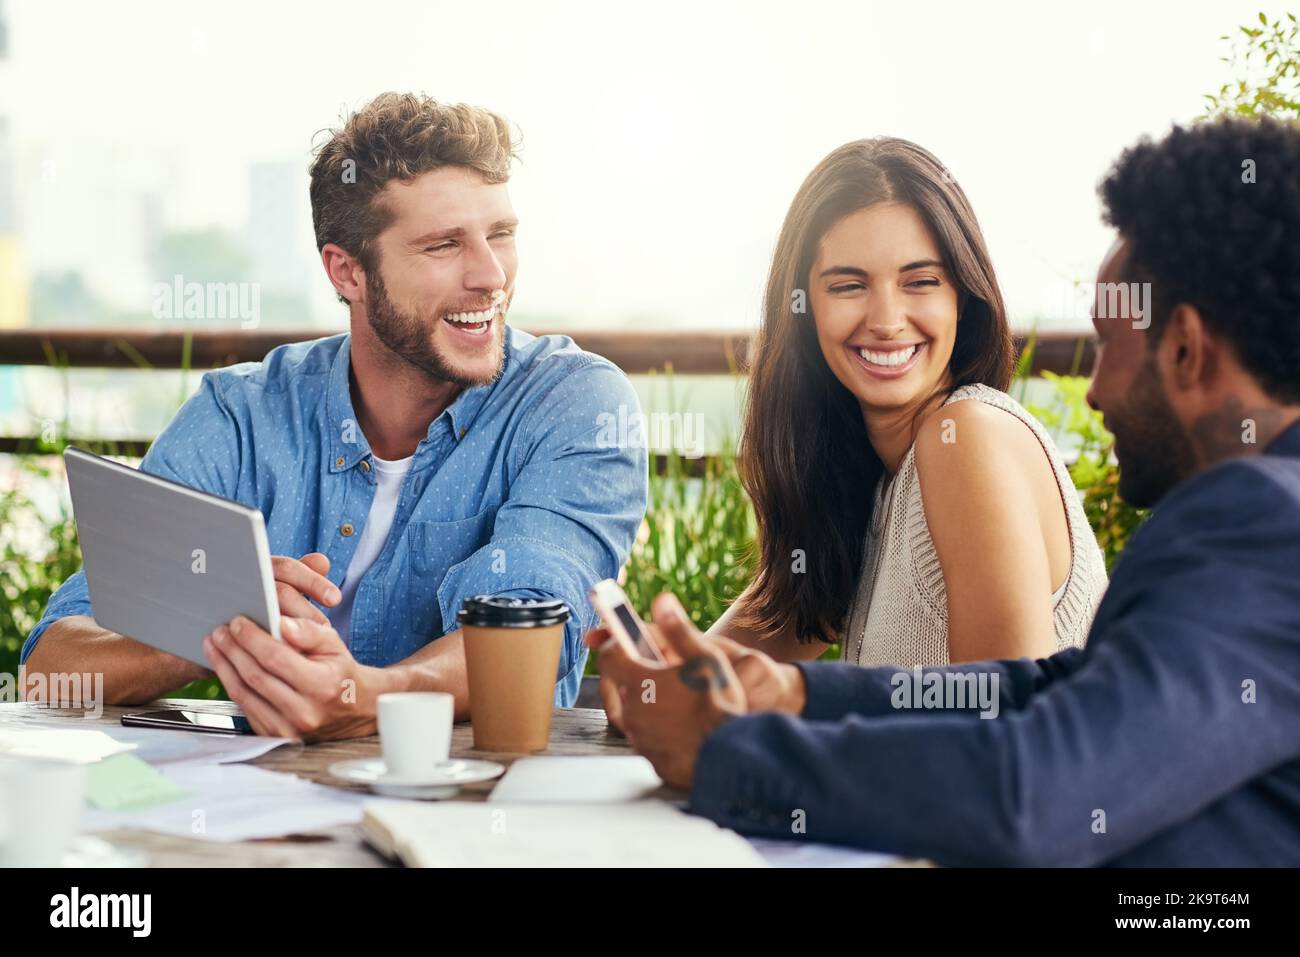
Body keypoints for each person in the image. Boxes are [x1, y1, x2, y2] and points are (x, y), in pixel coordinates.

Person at [594, 116, 1300, 866]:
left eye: (1105, 348)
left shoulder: (1261, 523)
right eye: (848, 285)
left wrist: (727, 754)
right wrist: (796, 694)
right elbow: (1045, 689)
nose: (1089, 393)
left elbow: (1031, 790)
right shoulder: (1265, 516)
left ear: (1185, 350)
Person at [23, 93, 648, 741]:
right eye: (443, 246)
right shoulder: (239, 417)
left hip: (475, 814)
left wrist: (366, 696)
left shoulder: (572, 403)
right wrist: (216, 628)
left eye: (502, 234)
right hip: (266, 818)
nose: (490, 276)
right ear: (347, 272)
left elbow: (533, 629)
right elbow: (51, 667)